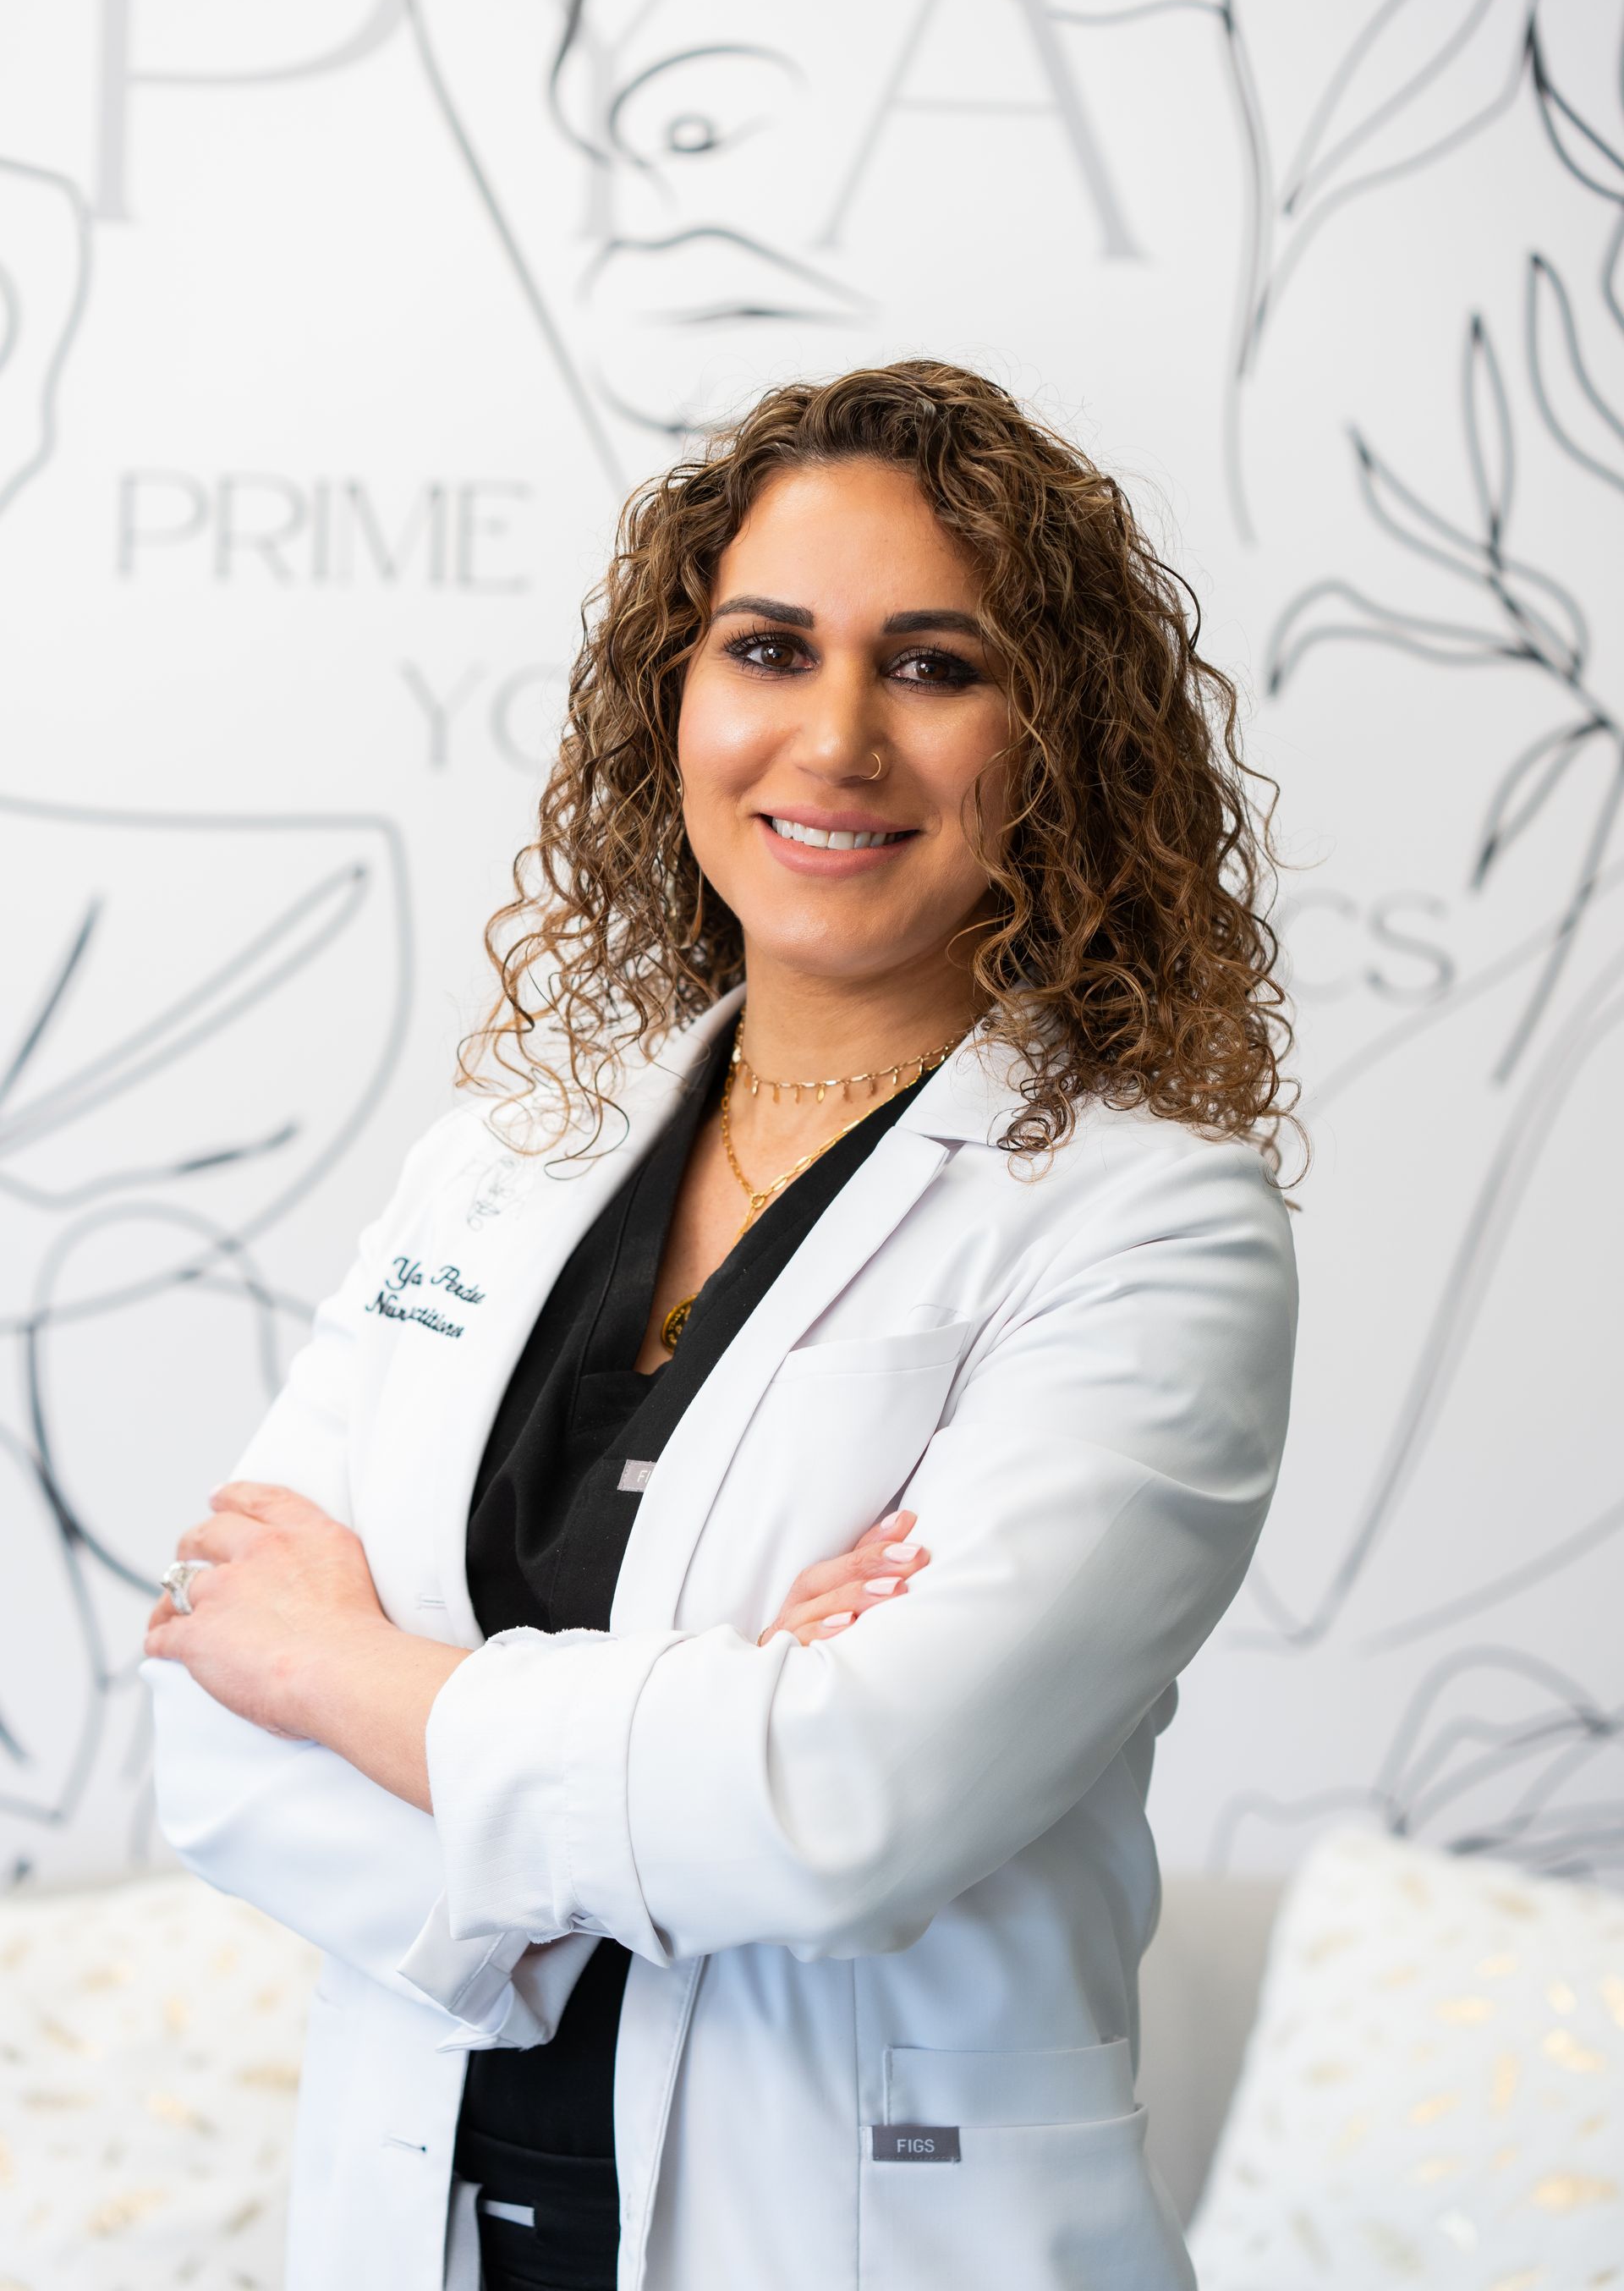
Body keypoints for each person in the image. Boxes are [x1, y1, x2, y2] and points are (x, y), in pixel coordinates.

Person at [142, 360, 1299, 2291]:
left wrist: (350, 1674)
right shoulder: (503, 1162)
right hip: (421, 2219)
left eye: (935, 667)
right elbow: (211, 1718)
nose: (835, 739)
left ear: (1060, 737)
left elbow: (846, 1807)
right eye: (772, 647)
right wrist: (710, 1718)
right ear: (679, 697)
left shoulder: (1151, 1223)